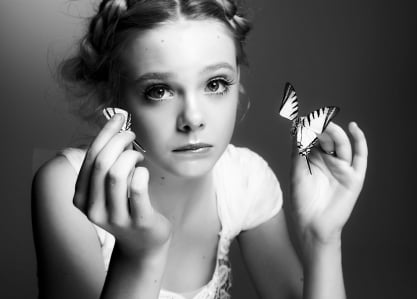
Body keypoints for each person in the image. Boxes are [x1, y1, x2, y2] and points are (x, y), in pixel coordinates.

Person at [31, 0, 368, 298]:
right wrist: (141, 256)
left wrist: (322, 239)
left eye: (215, 84)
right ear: (114, 98)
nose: (193, 118)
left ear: (238, 84)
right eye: (159, 90)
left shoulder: (244, 179)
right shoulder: (66, 187)